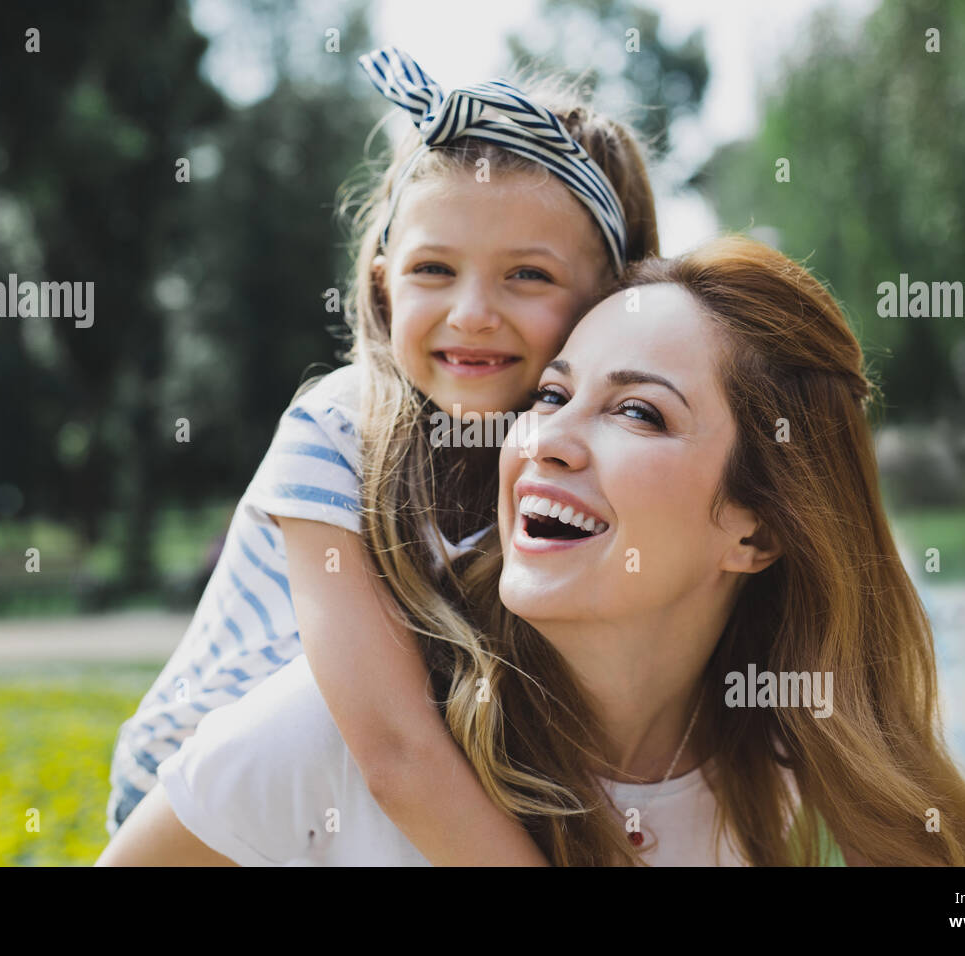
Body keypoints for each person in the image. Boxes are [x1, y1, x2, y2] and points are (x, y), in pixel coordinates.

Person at [99, 236, 965, 866]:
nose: (544, 441)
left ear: (756, 529)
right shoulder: (328, 732)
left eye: (638, 412)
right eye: (553, 393)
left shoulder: (764, 785)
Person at [104, 46, 659, 867]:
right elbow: (393, 751)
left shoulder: (582, 459)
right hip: (208, 819)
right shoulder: (339, 431)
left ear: (607, 301)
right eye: (434, 269)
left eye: (528, 276)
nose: (472, 313)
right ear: (383, 282)